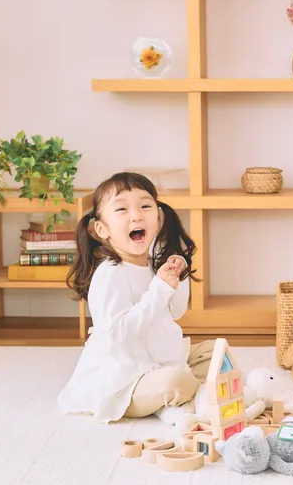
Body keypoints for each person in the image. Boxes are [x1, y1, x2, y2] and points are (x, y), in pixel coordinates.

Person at [57, 172, 214, 423]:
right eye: (122, 209)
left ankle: (180, 397)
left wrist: (178, 275)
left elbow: (176, 311)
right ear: (102, 229)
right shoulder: (110, 274)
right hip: (125, 379)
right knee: (178, 380)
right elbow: (120, 334)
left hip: (159, 360)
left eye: (145, 206)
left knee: (216, 353)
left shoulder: (153, 265)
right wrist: (159, 289)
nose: (136, 215)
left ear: (158, 219)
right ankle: (183, 398)